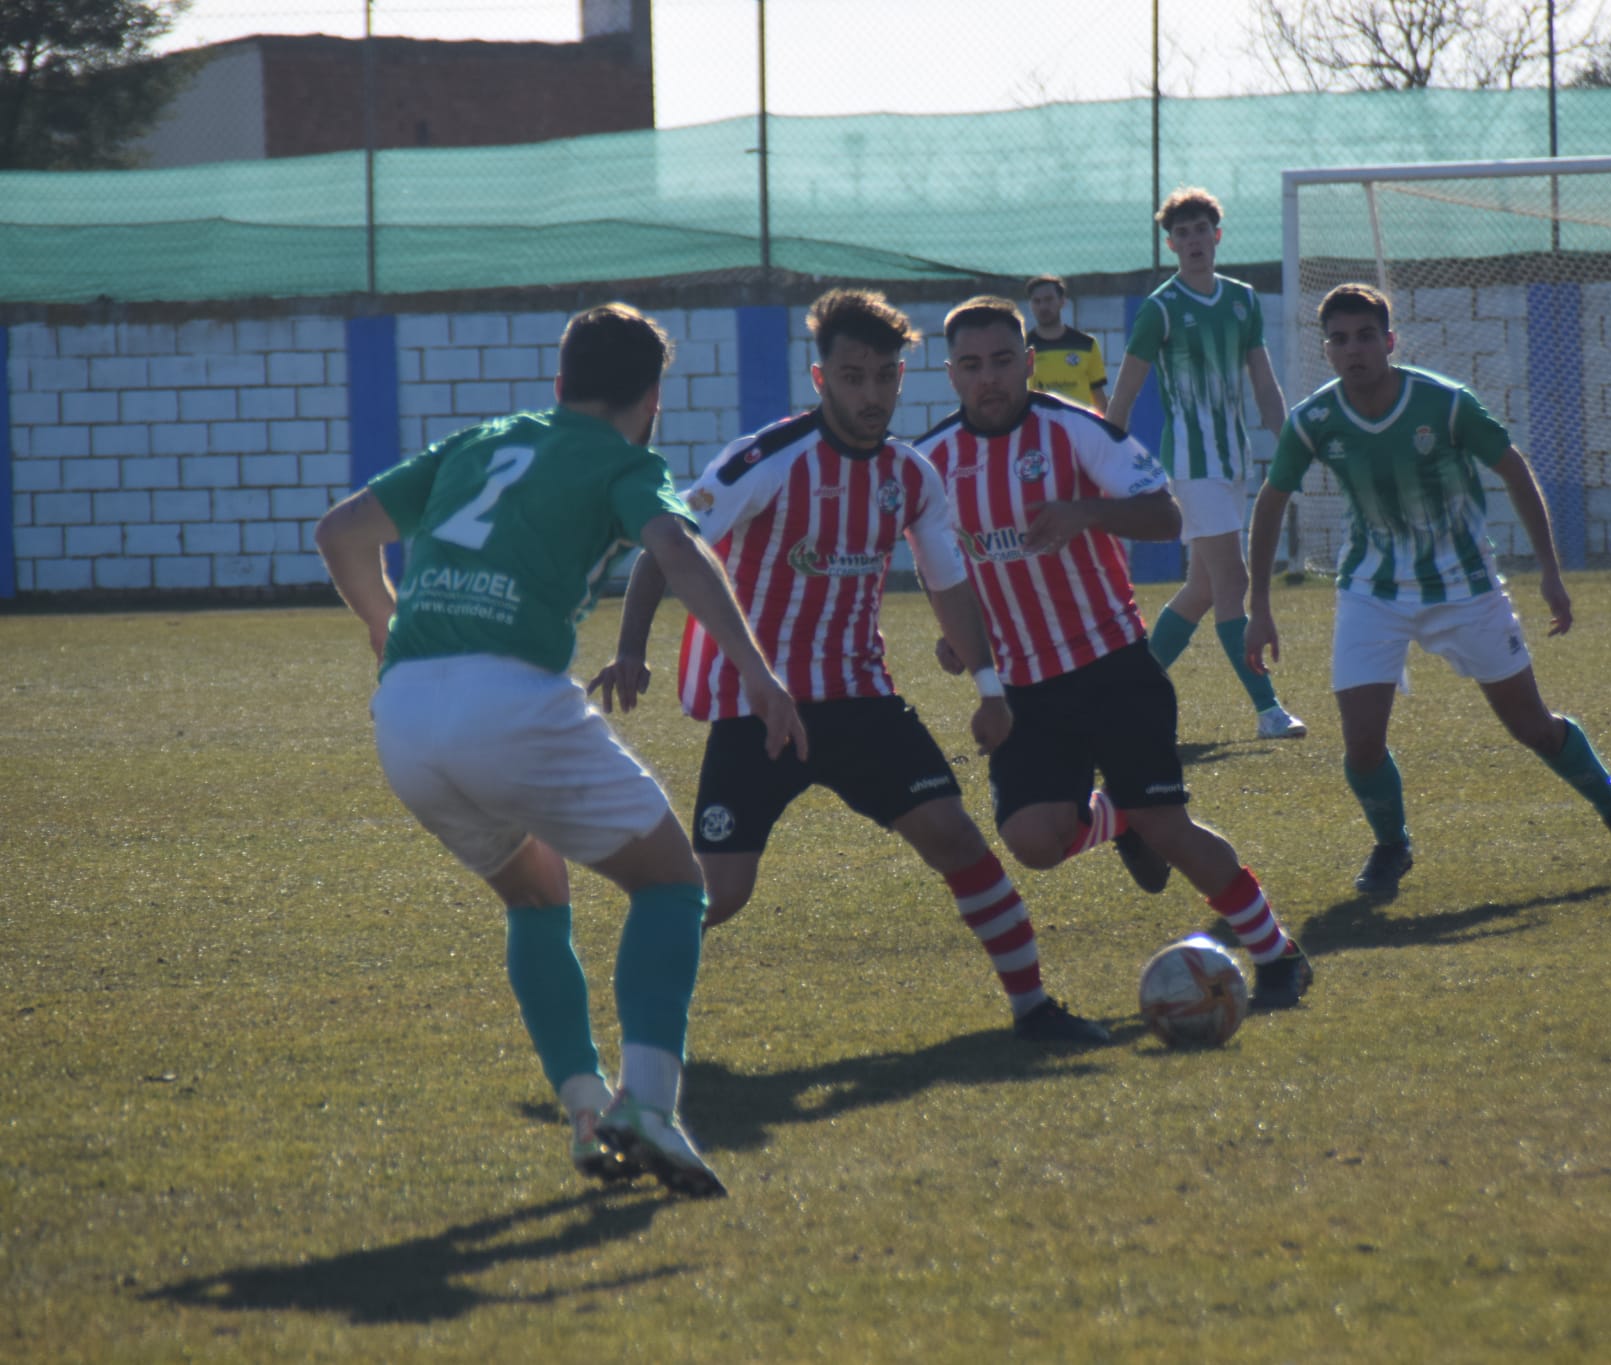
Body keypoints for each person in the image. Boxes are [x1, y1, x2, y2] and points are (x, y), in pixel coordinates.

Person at [314, 302, 803, 1199]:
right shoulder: (625, 461)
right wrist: (759, 673)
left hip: (407, 720)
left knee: (537, 895)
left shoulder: (477, 441)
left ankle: (586, 1109)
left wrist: (388, 627)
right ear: (654, 397)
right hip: (509, 701)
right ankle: (648, 1103)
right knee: (673, 882)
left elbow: (340, 532)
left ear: (559, 381)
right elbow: (678, 548)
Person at [588, 288, 1108, 1046]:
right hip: (758, 705)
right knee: (720, 892)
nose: (871, 393)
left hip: (861, 699)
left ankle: (1034, 1008)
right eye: (853, 376)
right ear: (821, 377)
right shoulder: (766, 460)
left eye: (884, 377)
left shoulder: (912, 475)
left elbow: (947, 582)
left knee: (957, 839)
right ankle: (627, 1022)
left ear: (902, 379)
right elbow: (668, 544)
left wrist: (990, 687)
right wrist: (632, 648)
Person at [918, 295, 1314, 1010]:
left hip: (1112, 666)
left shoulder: (1078, 432)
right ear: (950, 374)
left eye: (1003, 361)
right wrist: (962, 642)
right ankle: (1119, 819)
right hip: (1024, 688)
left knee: (1173, 827)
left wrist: (1086, 512)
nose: (989, 378)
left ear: (1028, 362)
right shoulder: (931, 464)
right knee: (1034, 839)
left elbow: (1166, 515)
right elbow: (949, 571)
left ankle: (1277, 953)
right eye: (971, 365)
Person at [1245, 284, 1611, 901]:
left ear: (1390, 342)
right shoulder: (1314, 420)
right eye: (1339, 339)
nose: (1354, 349)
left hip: (1465, 588)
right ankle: (1392, 846)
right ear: (1326, 350)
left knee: (1532, 727)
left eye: (1366, 336)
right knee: (1361, 746)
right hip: (1372, 592)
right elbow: (1272, 501)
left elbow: (1513, 468)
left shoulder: (1443, 403)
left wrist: (1549, 569)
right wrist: (1260, 605)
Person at [1105, 185, 1307, 743]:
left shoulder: (1243, 300)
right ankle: (1268, 710)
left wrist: (1288, 439)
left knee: (1200, 589)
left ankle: (1124, 694)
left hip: (1232, 459)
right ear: (1171, 244)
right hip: (1191, 465)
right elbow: (1123, 397)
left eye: (1202, 230)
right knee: (1232, 581)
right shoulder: (1161, 309)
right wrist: (1102, 455)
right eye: (1182, 233)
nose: (1193, 240)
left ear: (1217, 237)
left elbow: (1264, 383)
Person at [1023, 274, 1108, 413]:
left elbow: (1098, 395)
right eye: (1037, 301)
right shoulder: (1022, 347)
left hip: (1079, 428)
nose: (1043, 306)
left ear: (1062, 301)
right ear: (1030, 305)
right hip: (1040, 426)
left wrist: (1106, 429)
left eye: (1049, 299)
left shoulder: (1086, 344)